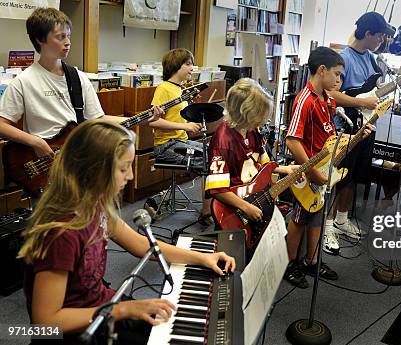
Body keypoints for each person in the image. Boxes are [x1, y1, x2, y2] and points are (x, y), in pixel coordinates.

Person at [18, 120, 235, 345]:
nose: (130, 176)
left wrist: (201, 258)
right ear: (95, 171)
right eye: (123, 168)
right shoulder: (62, 234)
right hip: (80, 329)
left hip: (102, 307)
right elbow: (45, 323)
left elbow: (143, 246)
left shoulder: (94, 206)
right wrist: (122, 310)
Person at [0, 8, 142, 160]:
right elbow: (2, 125)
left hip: (76, 159)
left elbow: (98, 119)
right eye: (60, 37)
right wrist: (35, 142)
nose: (67, 42)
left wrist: (144, 117)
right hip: (43, 161)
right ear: (40, 39)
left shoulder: (79, 77)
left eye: (68, 36)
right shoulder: (23, 81)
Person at [284, 47, 373, 288]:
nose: (339, 80)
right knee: (300, 218)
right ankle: (290, 264)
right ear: (321, 70)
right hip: (308, 172)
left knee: (317, 217)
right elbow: (292, 140)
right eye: (336, 74)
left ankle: (312, 261)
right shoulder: (305, 100)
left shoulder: (328, 100)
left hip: (324, 171)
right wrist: (312, 171)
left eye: (341, 76)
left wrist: (358, 137)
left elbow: (331, 140)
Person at [324, 12, 401, 255]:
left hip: (365, 126)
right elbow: (331, 94)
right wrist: (362, 103)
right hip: (344, 127)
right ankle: (327, 227)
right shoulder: (343, 58)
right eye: (380, 36)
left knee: (354, 177)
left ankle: (342, 220)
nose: (382, 40)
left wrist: (382, 97)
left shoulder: (372, 59)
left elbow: (372, 92)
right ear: (367, 33)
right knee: (337, 178)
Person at [204, 78, 299, 223]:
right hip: (235, 209)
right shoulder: (223, 140)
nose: (262, 120)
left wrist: (285, 169)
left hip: (256, 197)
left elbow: (262, 166)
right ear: (245, 113)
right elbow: (218, 190)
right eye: (259, 115)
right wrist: (246, 207)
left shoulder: (252, 129)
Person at [148, 48, 212, 225]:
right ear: (176, 66)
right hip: (166, 146)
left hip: (180, 141)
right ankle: (206, 212)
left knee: (215, 155)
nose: (193, 67)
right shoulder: (164, 89)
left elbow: (176, 118)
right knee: (209, 159)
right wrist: (184, 126)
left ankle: (210, 207)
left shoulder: (180, 90)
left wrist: (191, 124)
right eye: (188, 64)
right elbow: (153, 122)